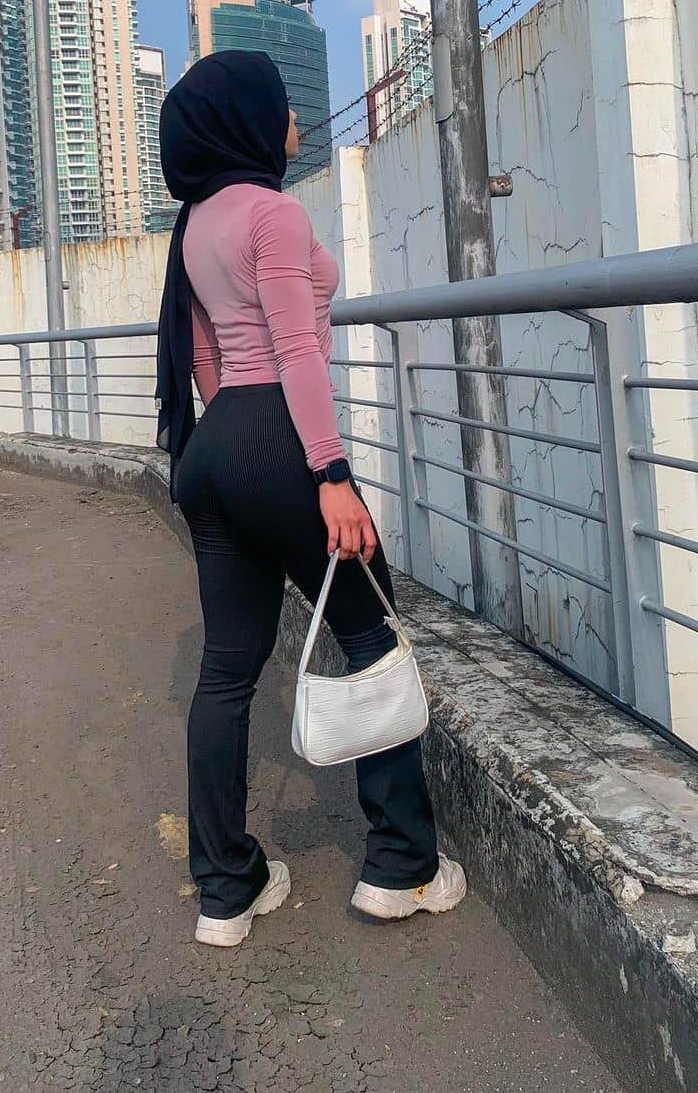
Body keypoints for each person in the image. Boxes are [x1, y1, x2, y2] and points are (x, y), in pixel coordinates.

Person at [155, 49, 466, 948]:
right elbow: (296, 349)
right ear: (247, 120)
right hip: (280, 443)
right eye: (283, 106)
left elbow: (206, 360)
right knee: (372, 641)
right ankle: (401, 869)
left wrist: (233, 447)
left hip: (213, 447)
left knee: (225, 672)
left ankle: (225, 891)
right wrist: (328, 474)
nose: (294, 121)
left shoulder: (195, 224)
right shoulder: (274, 214)